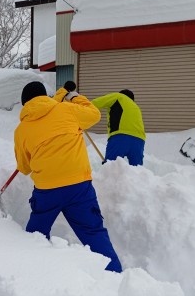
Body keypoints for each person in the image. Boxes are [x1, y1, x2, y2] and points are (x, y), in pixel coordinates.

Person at [14, 81, 122, 273]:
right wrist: (73, 96)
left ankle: (29, 273)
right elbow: (94, 114)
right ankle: (114, 276)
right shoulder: (67, 109)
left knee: (35, 236)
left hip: (47, 191)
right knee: (93, 232)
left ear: (25, 104)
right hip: (78, 187)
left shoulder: (21, 130)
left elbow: (24, 167)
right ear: (45, 96)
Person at [89, 89, 146, 166]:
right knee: (137, 171)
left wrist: (80, 108)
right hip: (139, 140)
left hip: (121, 137)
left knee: (111, 166)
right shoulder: (136, 107)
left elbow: (95, 103)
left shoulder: (118, 97)